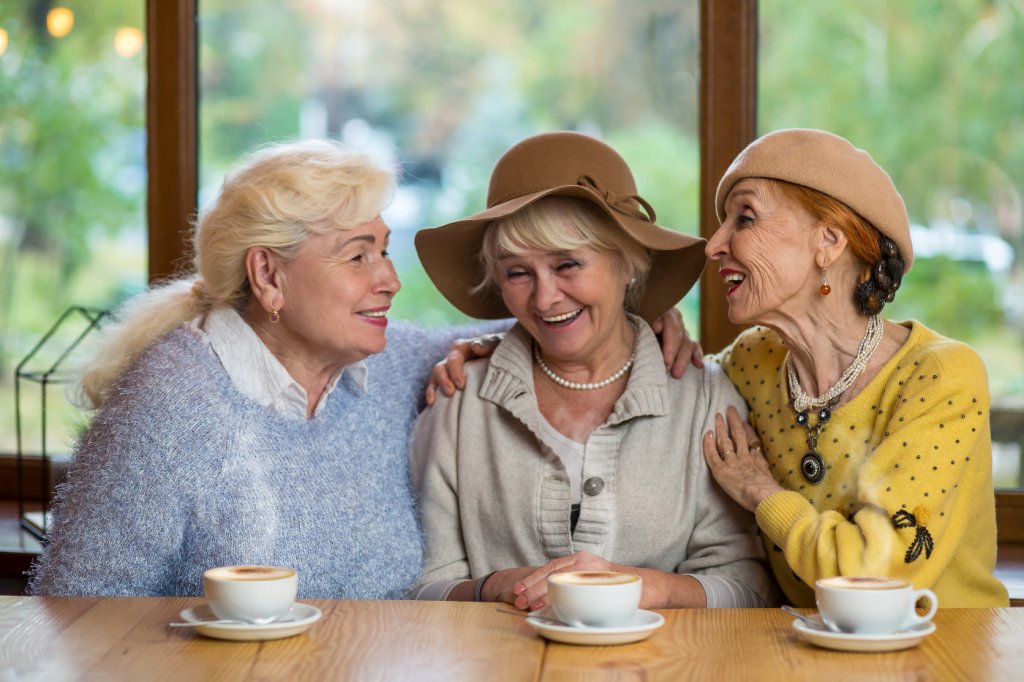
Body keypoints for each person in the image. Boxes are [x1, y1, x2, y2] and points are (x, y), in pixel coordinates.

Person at [28, 139, 691, 600]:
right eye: (358, 257)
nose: (391, 281)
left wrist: (637, 318)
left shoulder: (387, 364)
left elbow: (548, 327)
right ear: (268, 276)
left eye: (386, 250)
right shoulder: (168, 405)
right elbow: (75, 616)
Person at [410, 131, 775, 610]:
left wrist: (646, 587)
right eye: (518, 272)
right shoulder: (457, 403)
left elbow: (749, 587)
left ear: (628, 264)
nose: (544, 299)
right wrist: (496, 585)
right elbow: (423, 588)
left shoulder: (704, 399)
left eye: (567, 265)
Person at [702, 128, 1010, 607]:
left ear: (828, 242)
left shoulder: (941, 377)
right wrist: (658, 331)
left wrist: (762, 491)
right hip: (807, 654)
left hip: (944, 658)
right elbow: (683, 389)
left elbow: (874, 574)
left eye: (744, 218)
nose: (714, 244)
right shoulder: (755, 358)